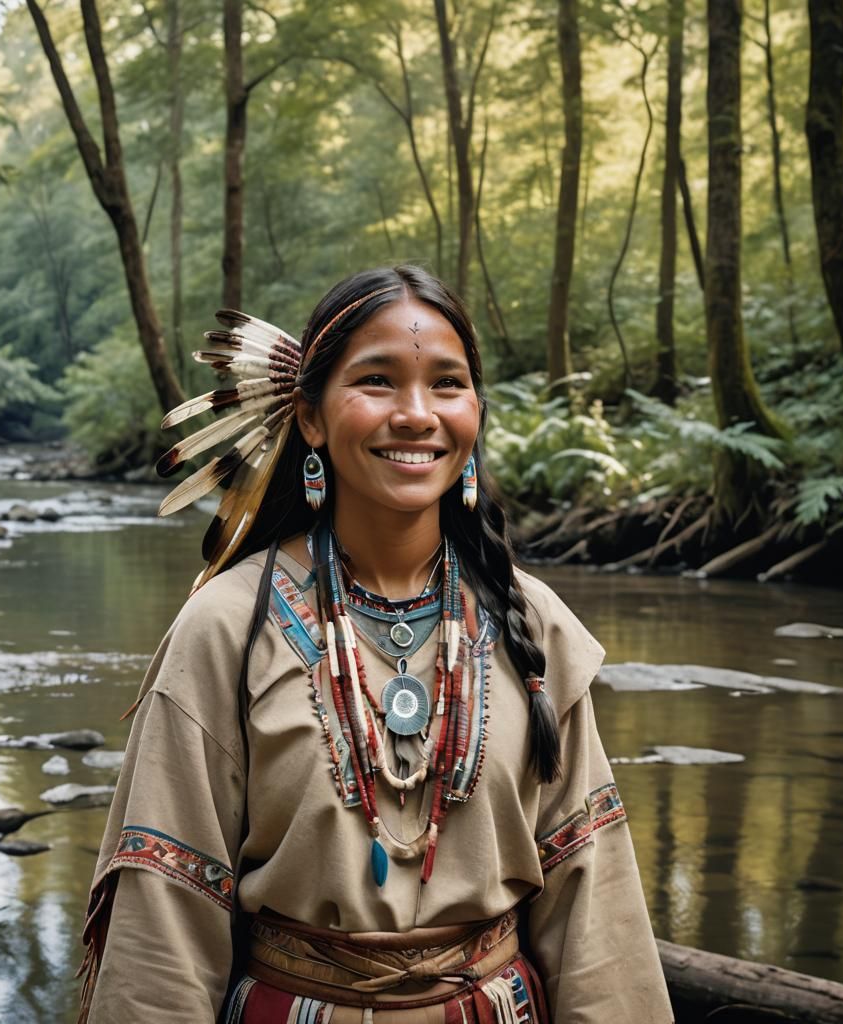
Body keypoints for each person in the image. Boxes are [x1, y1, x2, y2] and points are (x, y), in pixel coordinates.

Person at [78, 265, 673, 1023]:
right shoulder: (226, 628)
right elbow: (163, 929)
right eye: (378, 381)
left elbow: (593, 904)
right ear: (312, 417)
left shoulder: (535, 622)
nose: (418, 413)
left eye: (448, 384)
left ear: (476, 410)